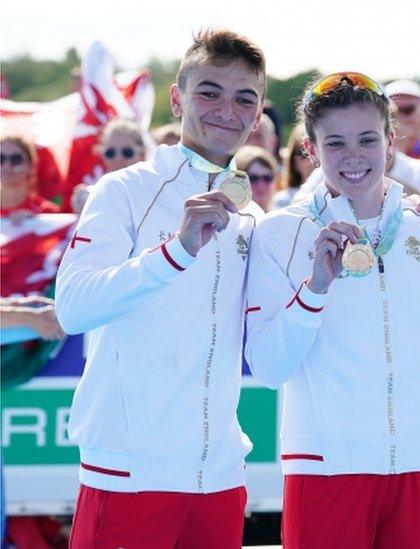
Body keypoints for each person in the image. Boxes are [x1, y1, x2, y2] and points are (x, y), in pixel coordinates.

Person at [244, 72, 420, 548]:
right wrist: (315, 290)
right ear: (309, 149)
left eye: (367, 139)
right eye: (335, 143)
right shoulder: (280, 234)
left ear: (390, 141)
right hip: (327, 466)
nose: (353, 156)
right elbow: (267, 366)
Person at [54, 29, 268, 548]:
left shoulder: (253, 216)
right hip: (130, 470)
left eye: (244, 98)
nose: (226, 110)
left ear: (259, 113)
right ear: (177, 98)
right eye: (209, 92)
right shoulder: (125, 189)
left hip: (218, 475)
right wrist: (175, 251)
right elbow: (73, 308)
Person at [71, 118, 150, 213]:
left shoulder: (155, 190)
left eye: (127, 152)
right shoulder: (92, 192)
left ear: (142, 155)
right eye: (110, 153)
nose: (118, 158)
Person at [0, 134, 59, 221]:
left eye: (16, 159)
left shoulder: (47, 212)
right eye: (1, 158)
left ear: (31, 166)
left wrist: (35, 224)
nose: (7, 165)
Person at [272, 124, 315, 209]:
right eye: (305, 154)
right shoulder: (282, 202)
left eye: (317, 153)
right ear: (294, 161)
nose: (313, 160)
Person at [236, 145, 278, 212]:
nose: (261, 186)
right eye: (253, 179)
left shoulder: (283, 218)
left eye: (267, 178)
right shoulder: (230, 220)